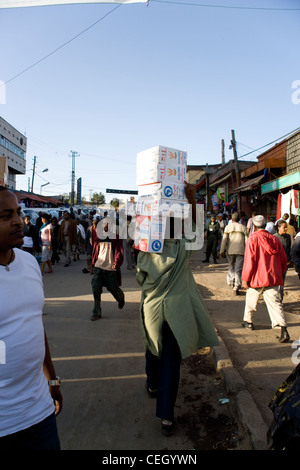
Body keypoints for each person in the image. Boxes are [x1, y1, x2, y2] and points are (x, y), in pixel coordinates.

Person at [136, 182, 219, 436]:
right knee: (171, 361)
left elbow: (140, 277)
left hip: (153, 308)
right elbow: (198, 232)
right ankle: (167, 417)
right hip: (178, 310)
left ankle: (152, 384)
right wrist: (192, 200)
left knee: (153, 347)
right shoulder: (184, 246)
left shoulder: (148, 248)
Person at [0, 187, 62, 449]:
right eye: (5, 215)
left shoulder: (28, 263)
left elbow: (35, 324)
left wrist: (52, 379)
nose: (17, 221)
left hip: (40, 412)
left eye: (18, 212)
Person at [241, 215, 290, 343]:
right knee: (275, 304)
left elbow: (249, 261)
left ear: (255, 226)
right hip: (272, 277)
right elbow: (283, 259)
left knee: (251, 300)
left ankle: (248, 322)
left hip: (257, 277)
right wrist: (280, 272)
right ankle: (283, 329)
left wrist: (245, 279)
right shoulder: (275, 239)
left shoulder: (252, 239)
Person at [90, 216, 125, 321]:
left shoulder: (116, 237)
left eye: (108, 224)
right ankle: (96, 312)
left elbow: (119, 251)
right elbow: (95, 252)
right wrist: (93, 265)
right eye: (104, 223)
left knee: (112, 288)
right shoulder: (98, 236)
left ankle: (121, 298)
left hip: (110, 268)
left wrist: (116, 262)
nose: (105, 226)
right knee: (96, 288)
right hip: (98, 266)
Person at [219, 212, 247, 295]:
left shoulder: (228, 227)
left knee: (231, 266)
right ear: (239, 219)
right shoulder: (243, 227)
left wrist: (221, 251)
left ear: (232, 219)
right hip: (241, 251)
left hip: (230, 250)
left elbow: (224, 240)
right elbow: (247, 241)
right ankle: (236, 286)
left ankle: (231, 282)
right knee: (238, 269)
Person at [274, 219, 291, 302]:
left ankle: (280, 299)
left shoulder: (288, 237)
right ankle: (277, 299)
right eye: (284, 227)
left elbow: (288, 249)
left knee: (282, 281)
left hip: (285, 263)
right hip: (276, 263)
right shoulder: (274, 238)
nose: (285, 229)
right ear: (278, 228)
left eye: (286, 227)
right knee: (277, 281)